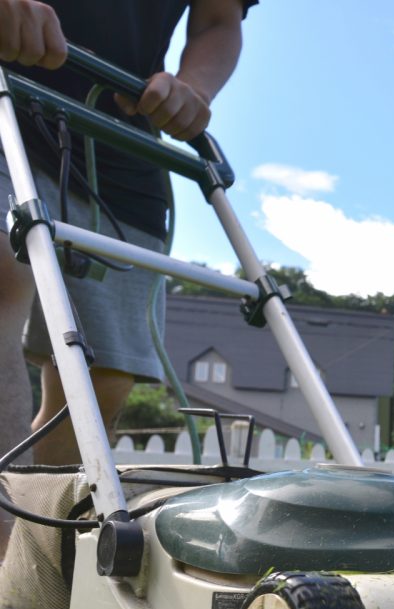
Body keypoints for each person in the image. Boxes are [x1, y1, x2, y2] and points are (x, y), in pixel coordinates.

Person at [0, 0, 255, 470]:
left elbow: (219, 20)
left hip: (123, 146)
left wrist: (193, 88)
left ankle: (39, 540)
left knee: (101, 381)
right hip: (9, 96)